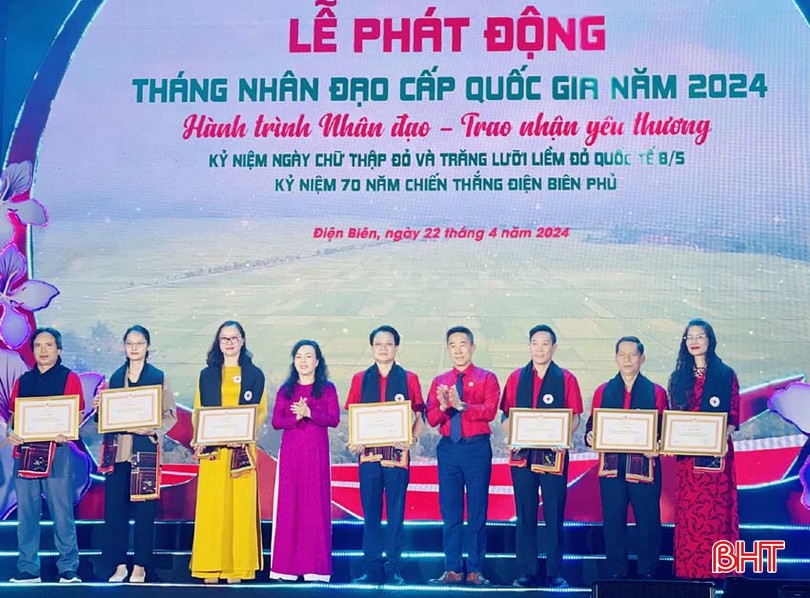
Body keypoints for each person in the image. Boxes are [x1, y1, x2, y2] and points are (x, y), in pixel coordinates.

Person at [499, 324, 583, 588]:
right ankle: (527, 571)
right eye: (535, 343)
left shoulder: (566, 379)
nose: (539, 349)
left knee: (554, 514)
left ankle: (554, 572)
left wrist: (563, 437)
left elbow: (575, 417)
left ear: (554, 348)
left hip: (553, 456)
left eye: (545, 344)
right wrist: (512, 434)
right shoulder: (516, 378)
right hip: (522, 456)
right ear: (529, 347)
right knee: (525, 514)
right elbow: (505, 415)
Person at [94, 325, 177, 583]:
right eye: (130, 343)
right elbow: (106, 418)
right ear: (124, 347)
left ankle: (140, 565)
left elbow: (169, 415)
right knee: (115, 512)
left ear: (147, 346)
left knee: (144, 512)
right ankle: (119, 565)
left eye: (139, 343)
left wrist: (153, 430)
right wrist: (100, 408)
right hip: (118, 453)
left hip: (145, 452)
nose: (134, 348)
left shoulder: (158, 377)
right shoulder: (115, 378)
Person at [344, 325, 425, 585]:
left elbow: (420, 416)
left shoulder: (409, 378)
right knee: (371, 514)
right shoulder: (359, 379)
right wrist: (355, 440)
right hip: (368, 457)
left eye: (388, 344)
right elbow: (353, 415)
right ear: (371, 348)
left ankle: (394, 568)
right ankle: (372, 567)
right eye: (378, 344)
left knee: (395, 514)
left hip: (397, 457)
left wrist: (411, 439)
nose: (383, 348)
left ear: (396, 348)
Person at [190, 321, 267, 584]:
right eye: (225, 338)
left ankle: (238, 568)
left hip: (242, 451)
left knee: (240, 509)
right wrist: (200, 436)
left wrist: (242, 434)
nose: (230, 343)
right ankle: (210, 567)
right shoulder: (206, 375)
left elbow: (260, 411)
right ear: (218, 342)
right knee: (213, 508)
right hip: (214, 453)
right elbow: (199, 410)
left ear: (242, 341)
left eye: (234, 338)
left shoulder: (255, 374)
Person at [584, 336, 667, 580]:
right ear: (616, 359)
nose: (627, 359)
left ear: (642, 358)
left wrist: (659, 444)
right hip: (612, 468)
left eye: (633, 354)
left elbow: (663, 429)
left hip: (644, 467)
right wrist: (590, 436)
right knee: (613, 521)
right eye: (622, 354)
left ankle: (648, 572)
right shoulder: (602, 391)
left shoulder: (656, 392)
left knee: (648, 521)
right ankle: (616, 573)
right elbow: (592, 425)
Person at [6, 328, 85, 584]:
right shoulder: (24, 380)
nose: (43, 350)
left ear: (58, 349)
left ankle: (68, 568)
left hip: (57, 452)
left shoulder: (69, 378)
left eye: (48, 345)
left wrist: (68, 432)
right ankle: (29, 569)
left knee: (62, 512)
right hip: (26, 453)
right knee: (27, 514)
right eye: (38, 345)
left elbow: (77, 415)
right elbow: (14, 417)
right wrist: (10, 433)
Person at [426, 326, 500, 586]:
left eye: (463, 344)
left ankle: (476, 570)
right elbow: (431, 418)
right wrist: (444, 407)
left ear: (472, 348)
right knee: (450, 510)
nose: (458, 350)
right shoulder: (440, 381)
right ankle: (453, 569)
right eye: (453, 345)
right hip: (449, 449)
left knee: (477, 510)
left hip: (476, 449)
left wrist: (462, 405)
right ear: (448, 349)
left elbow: (490, 411)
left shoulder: (487, 378)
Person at [668, 318, 740, 580]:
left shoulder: (725, 374)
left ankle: (718, 572)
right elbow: (674, 417)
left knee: (715, 513)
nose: (694, 341)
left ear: (710, 340)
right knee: (690, 514)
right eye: (690, 337)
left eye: (700, 336)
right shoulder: (678, 378)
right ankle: (688, 571)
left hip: (716, 456)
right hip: (688, 462)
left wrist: (718, 440)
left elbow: (732, 416)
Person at [269, 340, 340, 582]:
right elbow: (277, 421)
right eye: (299, 356)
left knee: (314, 507)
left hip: (316, 456)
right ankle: (285, 568)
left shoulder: (327, 389)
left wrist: (310, 413)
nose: (303, 361)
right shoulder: (286, 390)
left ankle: (314, 568)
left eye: (309, 356)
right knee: (290, 506)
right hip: (291, 456)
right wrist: (296, 418)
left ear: (317, 361)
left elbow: (333, 419)